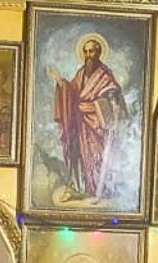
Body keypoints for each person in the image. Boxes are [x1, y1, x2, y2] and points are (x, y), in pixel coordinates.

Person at [48, 36, 126, 201]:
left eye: (92, 51)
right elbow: (72, 91)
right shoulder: (81, 73)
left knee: (97, 155)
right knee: (79, 155)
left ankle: (99, 189)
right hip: (79, 122)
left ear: (99, 53)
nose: (89, 55)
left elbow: (113, 94)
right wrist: (61, 83)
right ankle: (81, 187)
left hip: (97, 123)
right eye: (86, 51)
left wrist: (109, 102)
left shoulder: (105, 75)